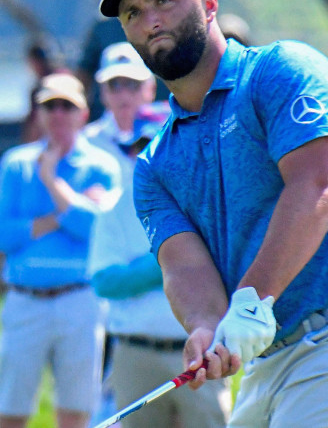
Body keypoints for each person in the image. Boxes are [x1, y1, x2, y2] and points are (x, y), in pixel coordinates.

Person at [100, 0, 328, 425]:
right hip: (270, 359)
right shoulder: (154, 164)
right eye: (133, 12)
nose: (149, 20)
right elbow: (184, 266)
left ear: (209, 2)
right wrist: (205, 327)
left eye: (163, 1)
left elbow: (316, 185)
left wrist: (252, 302)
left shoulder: (283, 72)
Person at [85, 45, 230, 427]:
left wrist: (174, 265)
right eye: (138, 148)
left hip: (200, 353)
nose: (146, 157)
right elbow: (104, 280)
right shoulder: (115, 206)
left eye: (154, 146)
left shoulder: (202, 201)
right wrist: (171, 263)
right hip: (135, 351)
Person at [0, 73, 120, 428]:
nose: (58, 114)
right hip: (24, 300)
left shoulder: (101, 166)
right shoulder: (15, 164)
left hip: (79, 300)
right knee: (12, 410)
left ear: (82, 113)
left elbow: (97, 230)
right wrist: (66, 211)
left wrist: (51, 181)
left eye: (67, 106)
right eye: (50, 106)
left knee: (75, 411)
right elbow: (0, 236)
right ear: (38, 113)